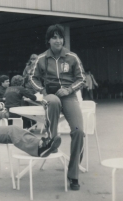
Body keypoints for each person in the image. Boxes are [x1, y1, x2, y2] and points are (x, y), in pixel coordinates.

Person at [30, 24, 86, 190]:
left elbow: (82, 79)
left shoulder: (72, 57)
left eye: (60, 37)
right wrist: (43, 90)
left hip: (69, 95)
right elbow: (32, 78)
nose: (58, 40)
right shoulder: (41, 59)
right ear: (48, 40)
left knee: (79, 131)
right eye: (54, 37)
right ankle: (52, 139)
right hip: (51, 95)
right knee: (53, 101)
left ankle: (73, 174)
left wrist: (69, 89)